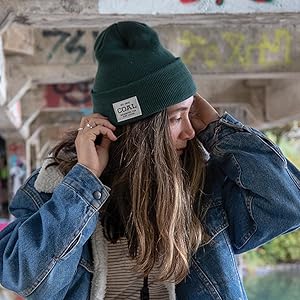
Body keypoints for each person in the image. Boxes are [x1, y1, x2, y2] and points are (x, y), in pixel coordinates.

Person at [0, 21, 299, 300]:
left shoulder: (203, 185)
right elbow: (26, 277)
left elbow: (288, 206)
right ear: (140, 130)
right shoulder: (55, 188)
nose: (191, 130)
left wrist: (219, 131)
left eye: (190, 113)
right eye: (175, 118)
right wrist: (85, 180)